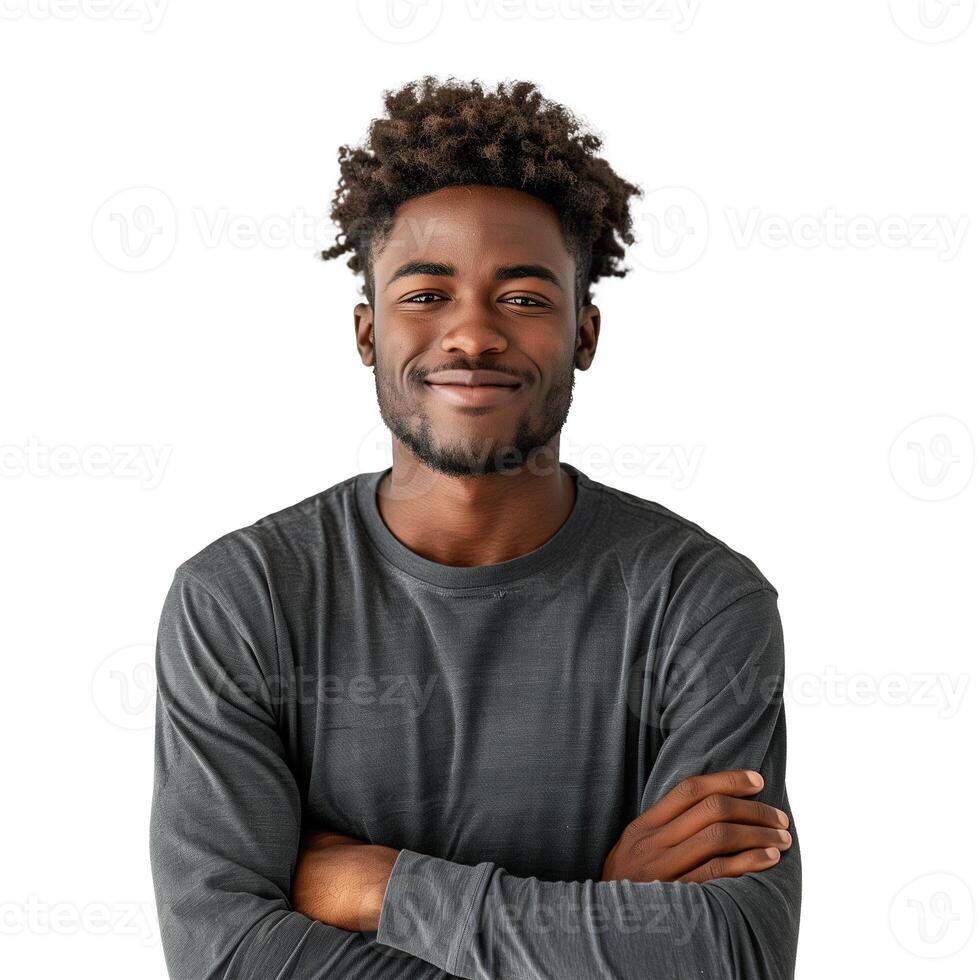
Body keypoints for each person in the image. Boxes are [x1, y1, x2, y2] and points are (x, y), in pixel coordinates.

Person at [149, 75, 801, 979]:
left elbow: (730, 956)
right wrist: (601, 919)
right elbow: (226, 959)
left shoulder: (699, 600)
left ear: (585, 333)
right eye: (425, 294)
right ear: (366, 333)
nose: (473, 335)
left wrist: (381, 887)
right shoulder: (243, 598)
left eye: (526, 299)